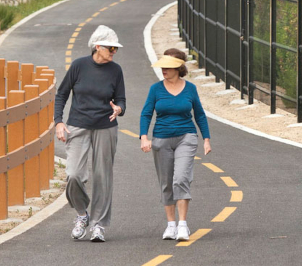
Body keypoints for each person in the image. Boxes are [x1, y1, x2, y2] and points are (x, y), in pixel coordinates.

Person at [54, 25, 126, 243]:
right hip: (78, 125)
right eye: (110, 48)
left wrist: (119, 109)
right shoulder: (79, 66)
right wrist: (58, 122)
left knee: (102, 176)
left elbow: (121, 99)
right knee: (74, 175)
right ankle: (82, 214)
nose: (114, 52)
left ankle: (99, 225)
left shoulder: (116, 70)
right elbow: (61, 94)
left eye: (115, 49)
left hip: (106, 126)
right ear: (97, 47)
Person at [140, 48, 211, 242]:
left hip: (186, 137)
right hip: (161, 139)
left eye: (168, 66)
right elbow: (146, 113)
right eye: (162, 65)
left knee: (180, 178)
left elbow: (200, 114)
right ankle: (170, 225)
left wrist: (206, 138)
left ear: (179, 67)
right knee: (166, 183)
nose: (164, 69)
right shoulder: (155, 89)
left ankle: (182, 225)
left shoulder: (190, 89)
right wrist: (143, 137)